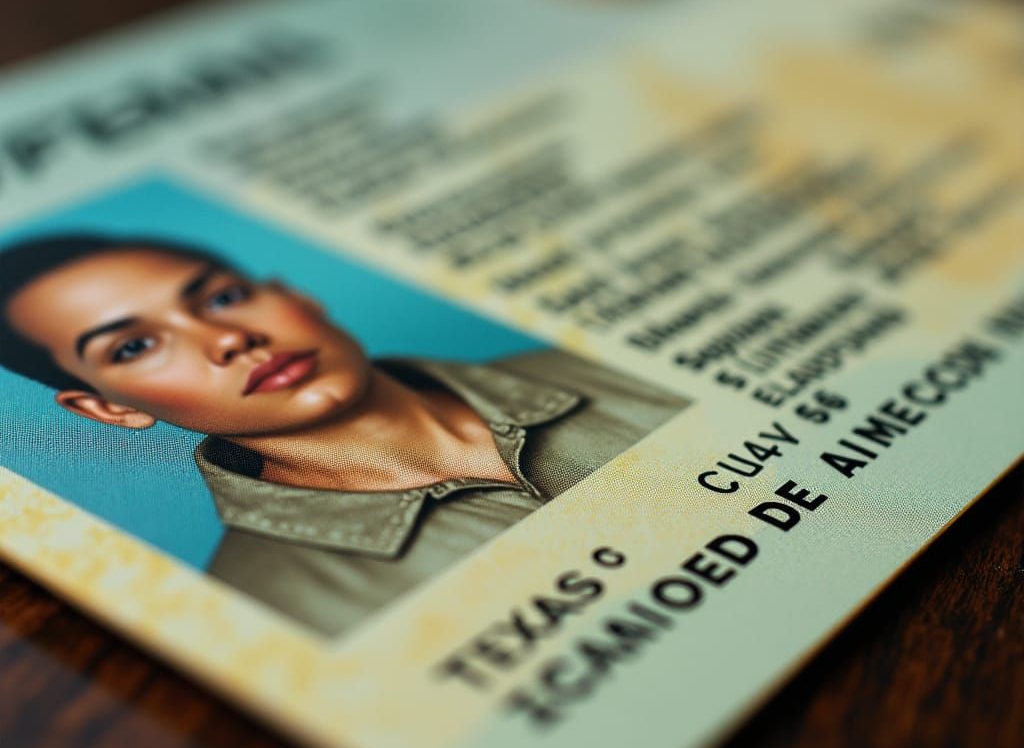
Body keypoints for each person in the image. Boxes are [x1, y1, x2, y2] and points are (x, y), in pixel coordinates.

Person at [0, 234, 688, 637]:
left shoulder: (616, 370)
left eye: (222, 297)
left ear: (292, 296)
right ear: (107, 409)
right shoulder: (277, 606)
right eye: (134, 346)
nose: (229, 338)